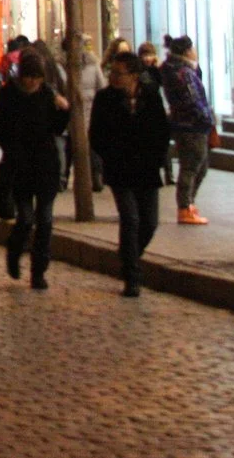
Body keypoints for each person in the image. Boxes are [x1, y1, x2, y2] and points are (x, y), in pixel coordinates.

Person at [89, 50, 172, 296]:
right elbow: (97, 135)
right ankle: (132, 276)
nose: (113, 77)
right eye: (111, 72)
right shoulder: (105, 98)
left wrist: (157, 158)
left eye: (119, 73)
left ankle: (128, 256)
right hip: (120, 169)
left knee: (150, 222)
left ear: (134, 75)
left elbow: (162, 131)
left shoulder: (151, 96)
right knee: (130, 218)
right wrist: (110, 156)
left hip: (147, 169)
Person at [0, 53, 70, 289]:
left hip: (46, 166)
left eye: (37, 78)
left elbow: (57, 128)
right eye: (29, 77)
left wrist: (64, 110)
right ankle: (14, 250)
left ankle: (39, 272)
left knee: (45, 220)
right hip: (19, 167)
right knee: (25, 219)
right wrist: (12, 148)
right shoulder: (9, 95)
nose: (33, 82)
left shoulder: (48, 94)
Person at [160, 35, 216, 225]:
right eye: (193, 48)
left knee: (198, 166)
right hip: (193, 126)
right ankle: (185, 207)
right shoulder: (184, 73)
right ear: (187, 51)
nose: (195, 52)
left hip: (186, 125)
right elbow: (193, 100)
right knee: (192, 167)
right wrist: (206, 118)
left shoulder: (175, 70)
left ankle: (188, 204)